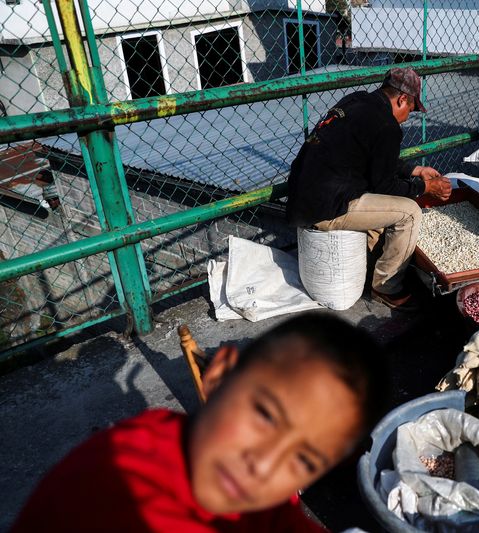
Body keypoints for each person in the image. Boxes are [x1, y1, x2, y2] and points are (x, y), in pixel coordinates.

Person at [11, 313, 390, 533]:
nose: (264, 463)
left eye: (305, 460)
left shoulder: (247, 487)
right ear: (220, 376)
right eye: (265, 415)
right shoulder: (114, 488)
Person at [287, 67, 451, 310]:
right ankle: (386, 287)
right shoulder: (387, 125)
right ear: (402, 99)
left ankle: (369, 268)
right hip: (325, 207)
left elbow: (375, 156)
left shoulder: (357, 101)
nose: (408, 116)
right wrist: (425, 187)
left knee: (381, 205)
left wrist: (414, 170)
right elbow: (386, 186)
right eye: (411, 109)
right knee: (409, 212)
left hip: (303, 196)